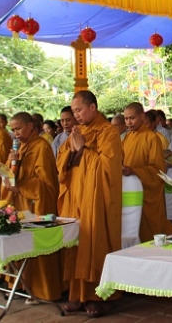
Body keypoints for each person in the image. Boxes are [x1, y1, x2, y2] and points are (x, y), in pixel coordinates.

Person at [57, 91, 122, 317]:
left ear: (92, 107)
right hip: (75, 197)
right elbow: (62, 164)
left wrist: (83, 149)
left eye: (79, 110)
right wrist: (74, 150)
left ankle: (99, 296)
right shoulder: (77, 132)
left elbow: (108, 167)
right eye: (74, 111)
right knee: (75, 244)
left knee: (95, 243)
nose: (76, 115)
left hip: (97, 199)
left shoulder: (108, 132)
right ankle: (76, 294)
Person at [3, 112, 61, 303]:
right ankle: (21, 285)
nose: (16, 133)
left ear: (30, 126)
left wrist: (21, 187)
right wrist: (11, 161)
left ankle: (41, 291)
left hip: (37, 205)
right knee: (19, 245)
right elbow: (13, 175)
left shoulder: (41, 147)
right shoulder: (20, 147)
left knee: (37, 248)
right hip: (21, 203)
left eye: (18, 128)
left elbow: (46, 183)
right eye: (13, 130)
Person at [122, 102, 172, 241]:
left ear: (142, 116)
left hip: (148, 192)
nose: (128, 122)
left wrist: (134, 171)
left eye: (132, 118)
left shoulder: (152, 137)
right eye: (126, 118)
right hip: (131, 189)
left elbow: (158, 169)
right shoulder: (127, 137)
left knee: (153, 230)